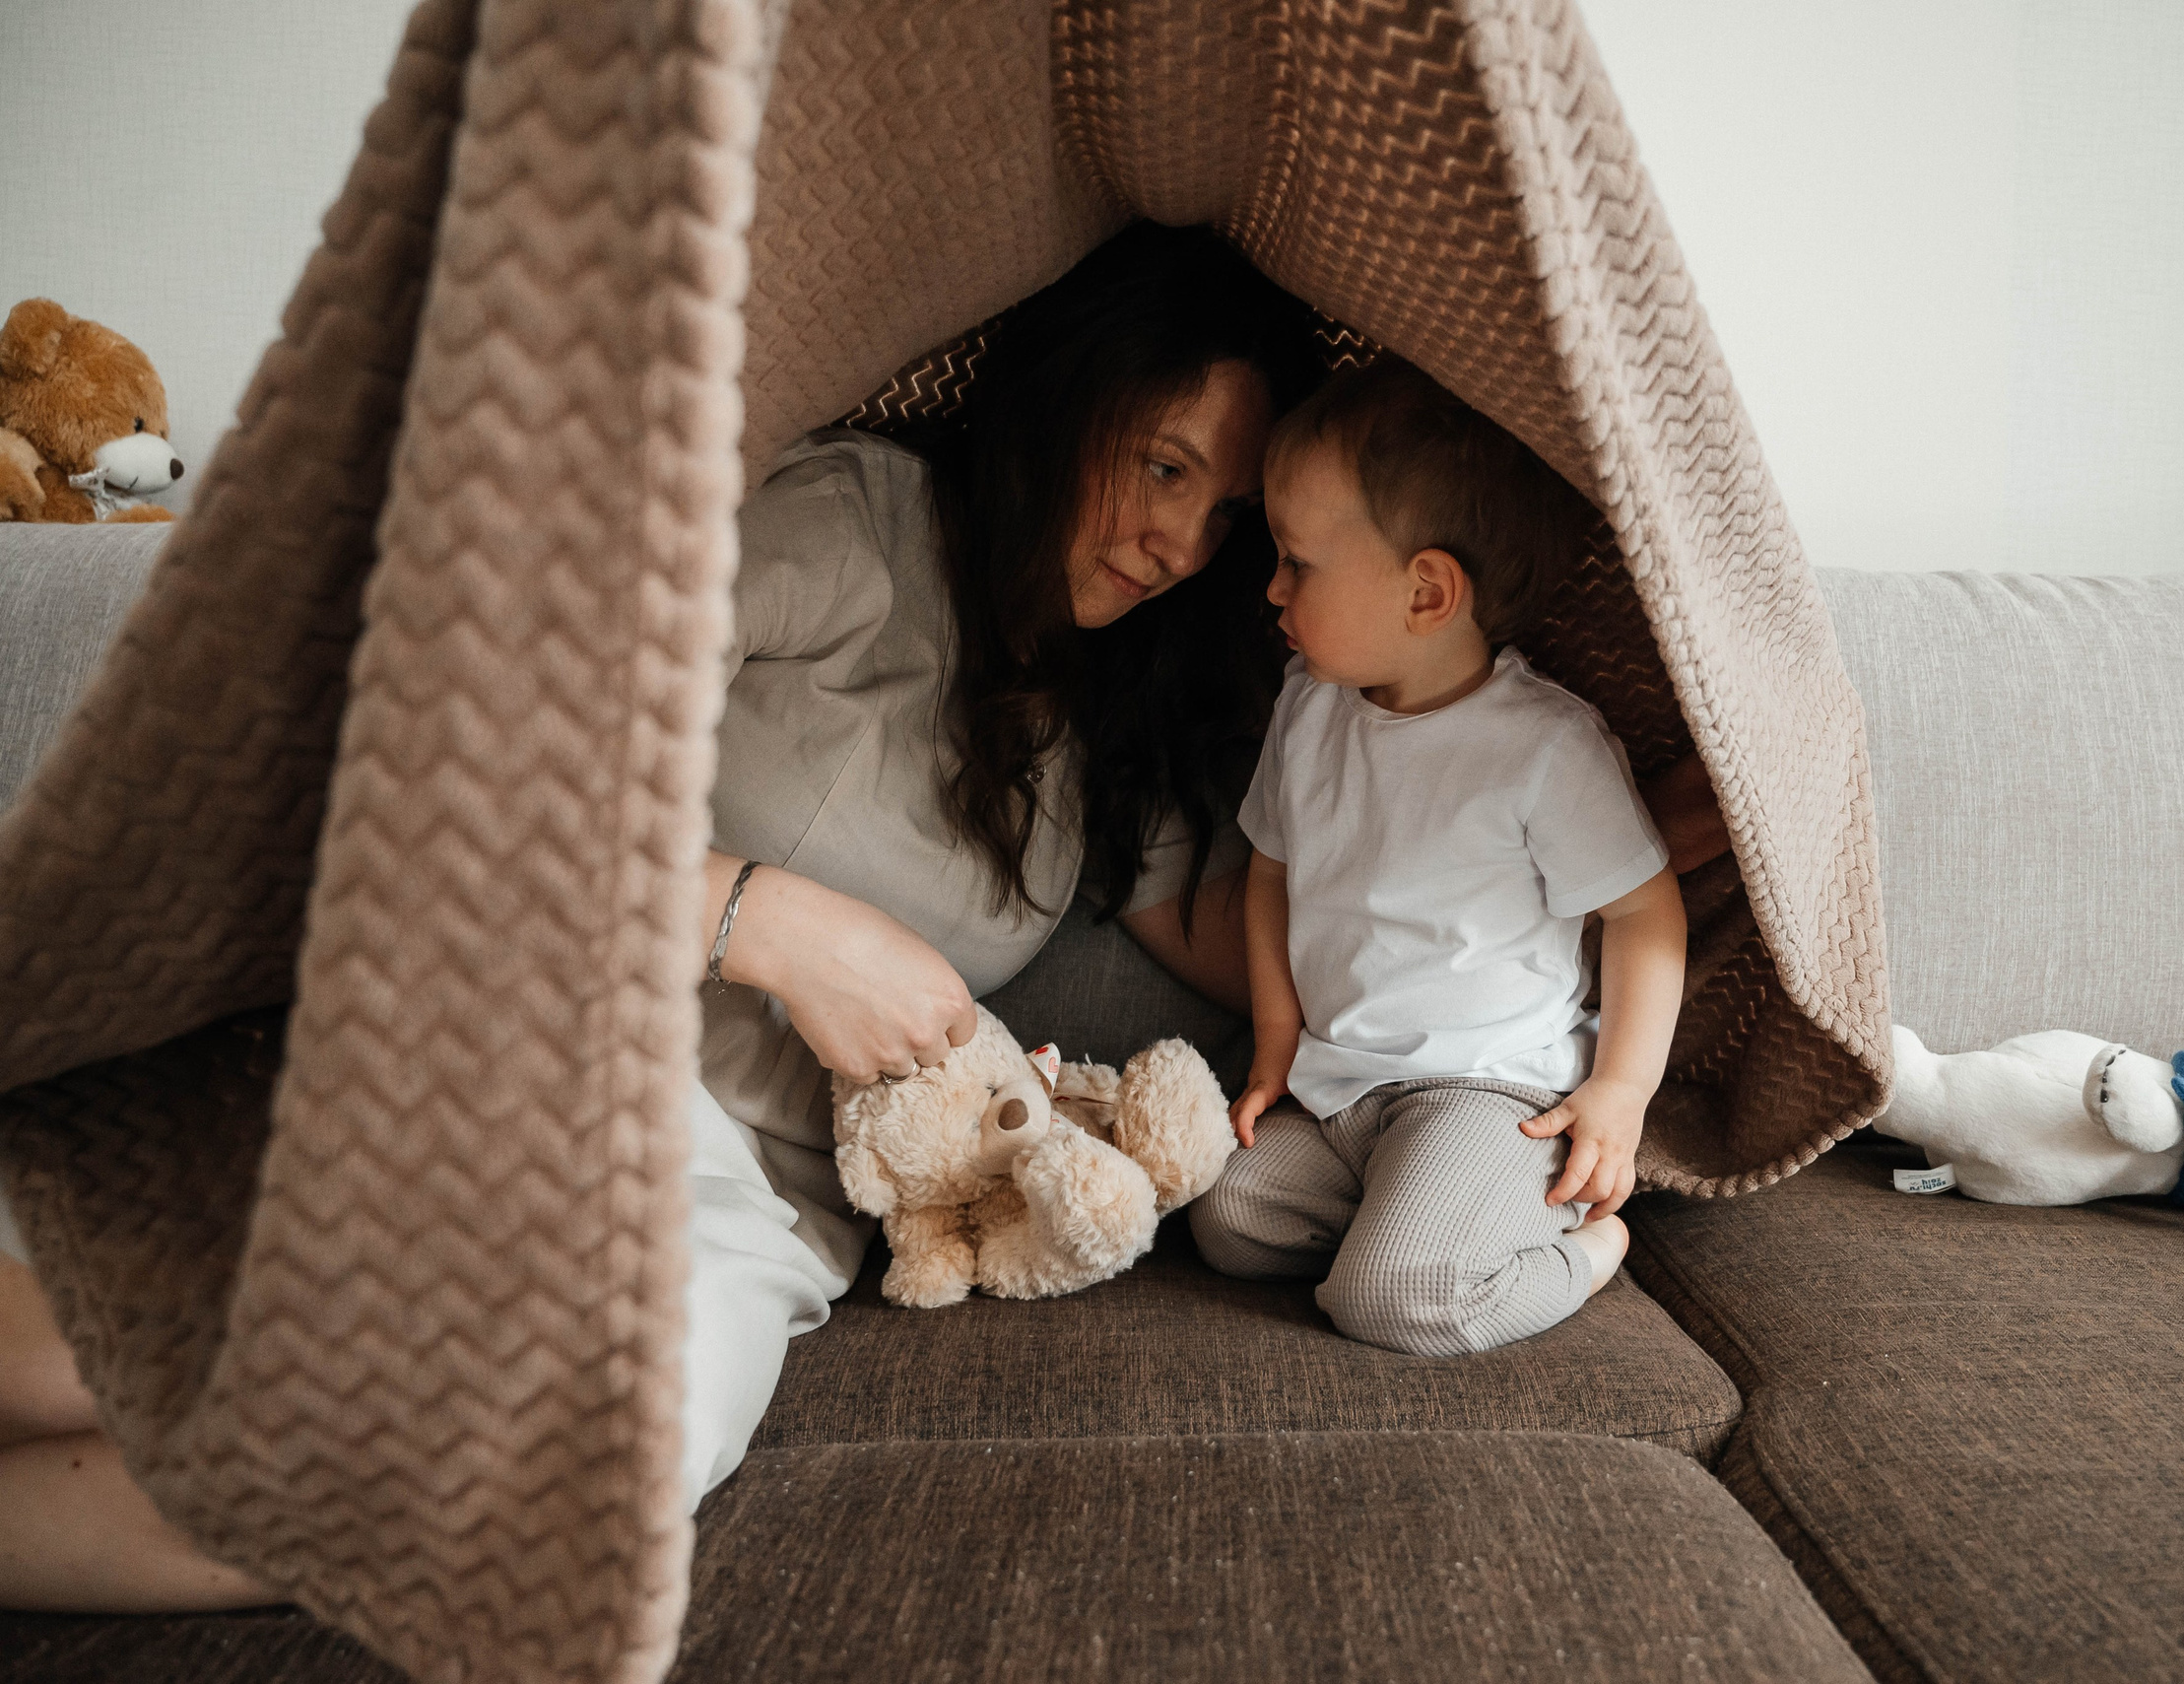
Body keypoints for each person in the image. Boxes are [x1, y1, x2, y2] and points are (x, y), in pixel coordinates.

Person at [0, 219, 1323, 1608]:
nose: (1180, 542)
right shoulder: (850, 526)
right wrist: (776, 926)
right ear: (1068, 403)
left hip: (747, 1209)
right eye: (1163, 466)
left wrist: (1454, 802)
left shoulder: (1123, 714)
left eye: (1226, 515)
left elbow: (1272, 948)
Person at [1187, 358, 1692, 1358]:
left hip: (1483, 1089)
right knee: (1226, 1215)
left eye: (1298, 561)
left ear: (1426, 591)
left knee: (1395, 1300)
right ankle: (1422, 1219)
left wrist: (1620, 1092)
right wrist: (1278, 1040)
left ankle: (1583, 1247)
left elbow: (1644, 913)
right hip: (1344, 1090)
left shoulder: (1543, 746)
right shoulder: (1309, 704)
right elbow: (1272, 871)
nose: (1271, 587)